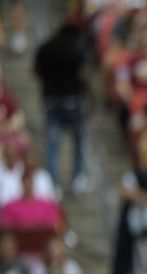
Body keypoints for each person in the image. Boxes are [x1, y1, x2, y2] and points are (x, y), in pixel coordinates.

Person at [33, 20, 90, 195]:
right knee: (79, 141)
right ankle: (78, 178)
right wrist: (90, 96)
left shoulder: (45, 47)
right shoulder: (76, 49)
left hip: (51, 101)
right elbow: (82, 75)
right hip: (71, 101)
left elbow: (35, 70)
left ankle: (53, 184)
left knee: (53, 144)